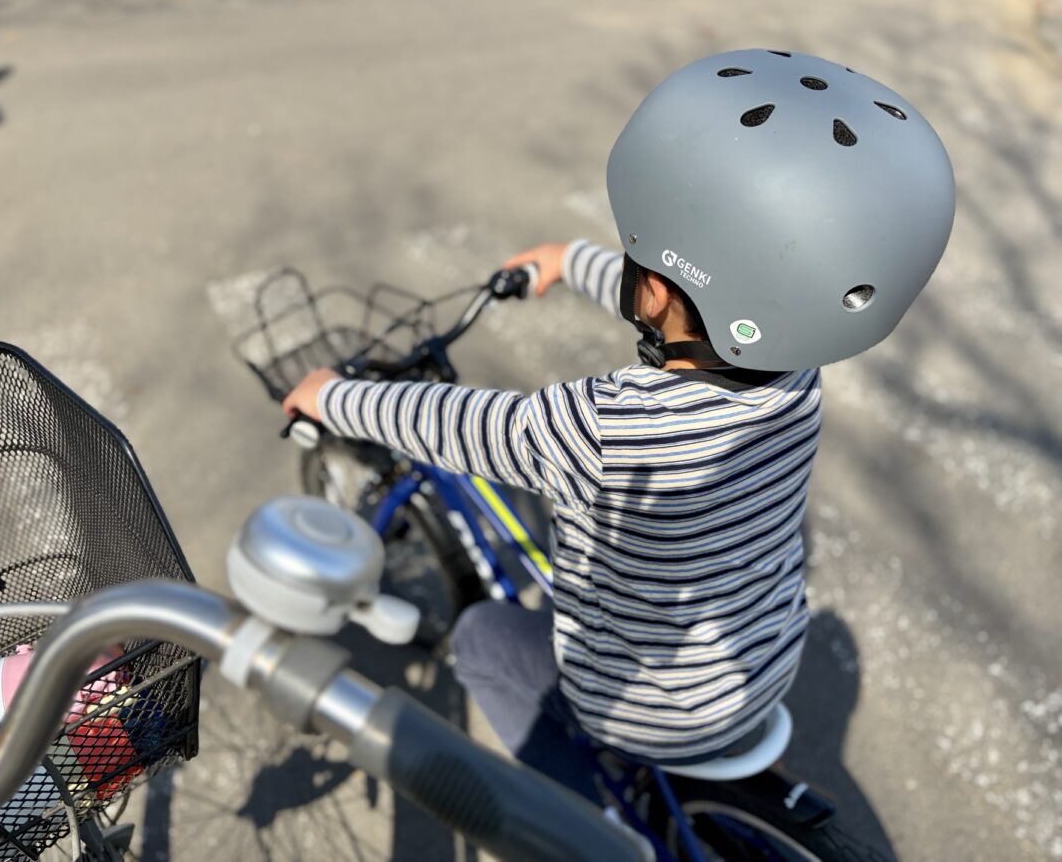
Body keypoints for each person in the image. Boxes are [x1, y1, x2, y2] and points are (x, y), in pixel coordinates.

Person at [282, 48, 955, 802]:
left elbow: (458, 424)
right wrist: (574, 261)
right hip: (764, 668)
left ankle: (590, 814)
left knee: (481, 642)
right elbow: (703, 300)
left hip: (643, 712)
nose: (631, 259)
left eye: (635, 251)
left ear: (660, 291)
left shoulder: (602, 426)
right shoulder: (798, 371)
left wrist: (330, 395)